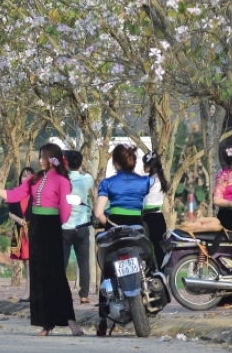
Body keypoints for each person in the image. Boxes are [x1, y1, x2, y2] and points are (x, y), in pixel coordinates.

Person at [0, 143, 84, 337]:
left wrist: (56, 225)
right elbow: (12, 195)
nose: (39, 160)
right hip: (36, 226)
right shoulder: (33, 179)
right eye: (39, 156)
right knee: (39, 276)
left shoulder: (62, 180)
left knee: (56, 276)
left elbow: (65, 208)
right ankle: (46, 323)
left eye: (43, 157)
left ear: (52, 158)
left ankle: (70, 321)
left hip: (52, 226)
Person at [93, 143, 152, 335]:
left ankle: (103, 321)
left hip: (114, 228)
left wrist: (108, 224)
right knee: (149, 261)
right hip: (136, 228)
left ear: (116, 162)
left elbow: (99, 213)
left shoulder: (107, 183)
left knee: (107, 269)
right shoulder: (144, 182)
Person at [62, 151, 92, 305]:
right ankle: (84, 295)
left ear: (65, 162)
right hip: (82, 226)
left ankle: (61, 293)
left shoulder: (61, 180)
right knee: (84, 262)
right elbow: (89, 178)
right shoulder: (86, 179)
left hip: (64, 227)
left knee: (62, 262)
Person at [8, 167, 35, 302]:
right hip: (21, 231)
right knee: (26, 262)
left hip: (34, 231)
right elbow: (10, 212)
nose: (26, 178)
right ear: (20, 178)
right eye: (24, 176)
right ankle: (29, 291)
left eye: (30, 176)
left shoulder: (37, 194)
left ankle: (30, 292)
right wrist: (18, 220)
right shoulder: (15, 193)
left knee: (32, 262)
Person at [141, 149, 169, 269]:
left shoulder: (151, 180)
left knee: (148, 249)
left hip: (149, 218)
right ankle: (160, 275)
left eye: (144, 164)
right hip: (159, 217)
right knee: (158, 249)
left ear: (149, 165)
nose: (143, 166)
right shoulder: (161, 179)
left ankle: (152, 272)